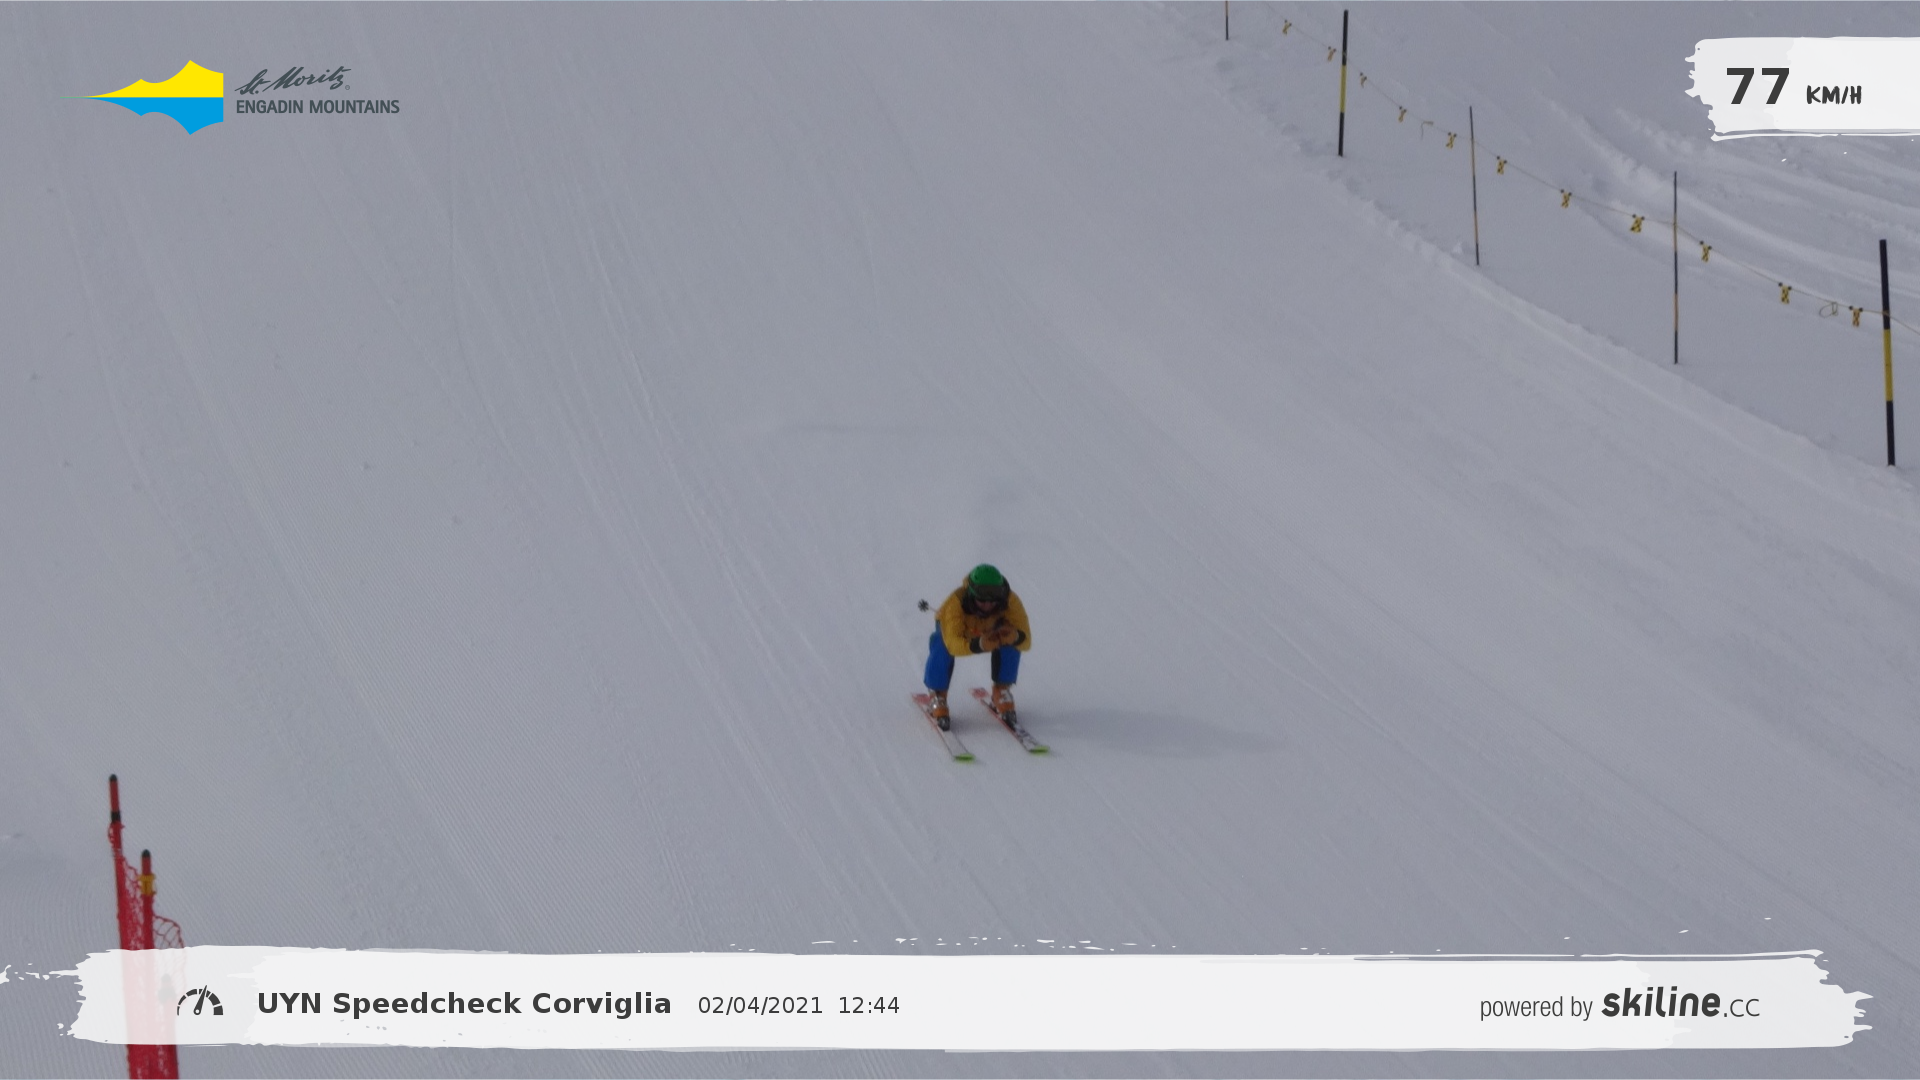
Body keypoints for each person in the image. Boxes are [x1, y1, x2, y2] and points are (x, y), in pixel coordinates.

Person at [923, 564, 1030, 730]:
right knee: (940, 643)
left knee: (1010, 639)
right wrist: (979, 644)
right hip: (960, 631)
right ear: (971, 594)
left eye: (993, 600)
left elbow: (1026, 640)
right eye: (981, 600)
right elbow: (953, 644)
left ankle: (1001, 690)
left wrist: (1015, 637)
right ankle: (937, 694)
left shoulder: (1010, 600)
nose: (987, 605)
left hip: (992, 628)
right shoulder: (955, 603)